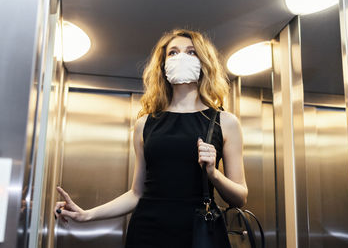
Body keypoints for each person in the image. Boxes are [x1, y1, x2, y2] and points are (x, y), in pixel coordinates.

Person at [53, 28, 248, 247]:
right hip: (148, 232)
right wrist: (86, 215)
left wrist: (214, 174)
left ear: (204, 63)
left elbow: (239, 197)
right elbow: (136, 193)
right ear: (163, 66)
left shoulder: (226, 122)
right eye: (173, 53)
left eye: (191, 52)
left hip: (199, 232)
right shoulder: (145, 124)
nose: (181, 57)